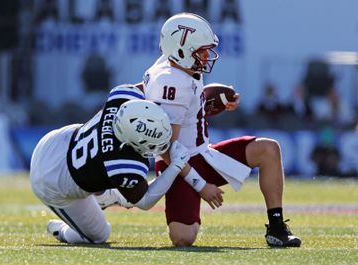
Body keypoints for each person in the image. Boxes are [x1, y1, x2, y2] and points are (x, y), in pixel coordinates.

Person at [142, 13, 302, 247]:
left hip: (201, 154)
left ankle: (277, 228)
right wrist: (201, 186)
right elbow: (167, 148)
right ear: (181, 49)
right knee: (183, 237)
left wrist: (209, 104)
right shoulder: (171, 83)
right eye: (201, 51)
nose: (207, 56)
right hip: (176, 166)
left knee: (268, 149)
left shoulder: (175, 65)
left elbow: (186, 110)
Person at [30, 84, 192, 244]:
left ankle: (108, 197)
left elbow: (148, 85)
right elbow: (144, 200)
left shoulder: (122, 99)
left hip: (54, 142)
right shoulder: (123, 162)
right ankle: (62, 230)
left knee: (105, 173)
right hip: (51, 180)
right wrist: (176, 166)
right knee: (99, 235)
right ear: (130, 142)